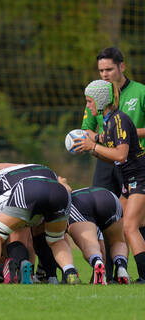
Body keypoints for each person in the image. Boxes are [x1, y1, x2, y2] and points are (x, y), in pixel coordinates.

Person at [81, 47, 145, 281]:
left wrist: (119, 137)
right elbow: (90, 131)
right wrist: (90, 143)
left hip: (134, 164)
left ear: (122, 67)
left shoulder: (132, 101)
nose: (105, 74)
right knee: (110, 216)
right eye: (101, 70)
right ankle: (111, 270)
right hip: (114, 163)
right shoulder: (100, 101)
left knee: (132, 224)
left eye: (109, 69)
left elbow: (120, 150)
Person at [0, 174, 80, 285]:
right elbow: (68, 189)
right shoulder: (48, 173)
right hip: (59, 190)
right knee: (56, 240)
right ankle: (70, 272)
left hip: (28, 189)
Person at [68, 187, 129, 285]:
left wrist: (99, 261)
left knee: (89, 245)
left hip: (79, 203)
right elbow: (102, 247)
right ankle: (121, 266)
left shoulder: (60, 204)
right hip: (108, 196)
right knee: (118, 241)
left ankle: (97, 261)